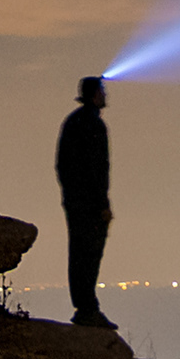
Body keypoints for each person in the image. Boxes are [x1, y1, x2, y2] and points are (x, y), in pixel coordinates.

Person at [54, 75, 114, 328]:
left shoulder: (72, 122)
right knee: (89, 253)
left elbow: (62, 165)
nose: (106, 95)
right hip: (88, 204)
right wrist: (101, 204)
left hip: (75, 202)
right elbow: (96, 169)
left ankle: (84, 305)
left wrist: (70, 195)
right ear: (94, 95)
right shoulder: (93, 125)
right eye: (102, 91)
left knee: (78, 253)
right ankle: (87, 308)